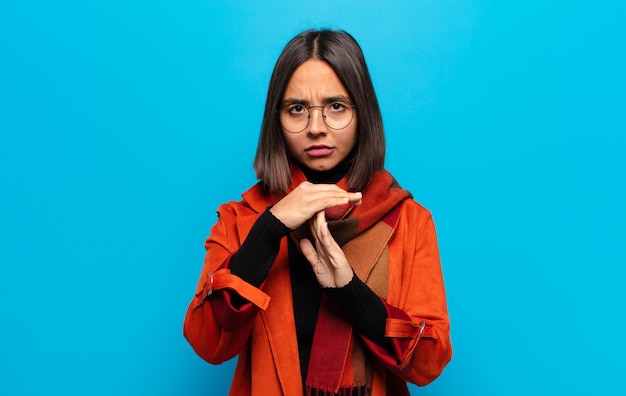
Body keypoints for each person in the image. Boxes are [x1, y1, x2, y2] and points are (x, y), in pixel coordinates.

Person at [183, 29, 452, 396]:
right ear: (276, 119)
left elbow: (428, 364)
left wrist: (351, 293)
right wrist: (268, 231)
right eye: (297, 109)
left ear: (363, 113)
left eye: (336, 107)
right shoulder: (240, 218)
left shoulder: (408, 221)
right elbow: (208, 344)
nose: (316, 128)